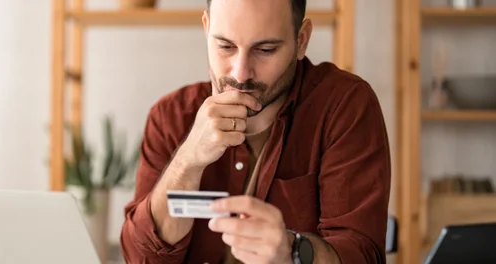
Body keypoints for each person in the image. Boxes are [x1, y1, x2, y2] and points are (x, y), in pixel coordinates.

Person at [120, 0, 391, 263]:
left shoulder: (344, 107)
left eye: (265, 50)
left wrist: (292, 251)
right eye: (225, 46)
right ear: (206, 27)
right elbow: (139, 258)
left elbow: (361, 253)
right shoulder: (170, 116)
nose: (240, 74)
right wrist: (186, 161)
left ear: (302, 40)